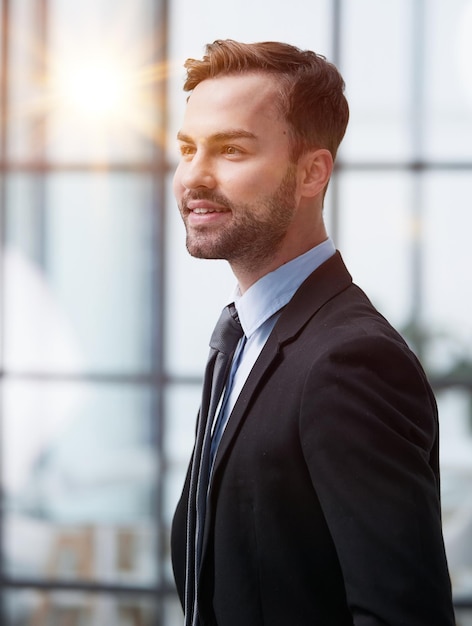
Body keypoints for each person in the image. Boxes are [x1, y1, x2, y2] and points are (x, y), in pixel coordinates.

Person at [171, 39, 456, 626]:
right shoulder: (238, 342)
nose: (194, 176)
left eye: (230, 150)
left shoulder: (351, 360)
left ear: (311, 173)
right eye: (187, 149)